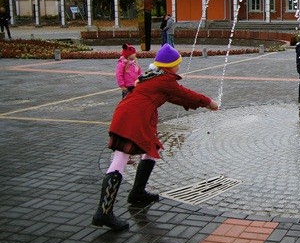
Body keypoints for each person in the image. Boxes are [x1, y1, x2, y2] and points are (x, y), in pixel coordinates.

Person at [92, 44, 219, 231]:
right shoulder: (165, 80)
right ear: (169, 66)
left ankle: (137, 192)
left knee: (151, 149)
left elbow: (175, 97)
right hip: (133, 118)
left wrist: (202, 104)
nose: (179, 67)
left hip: (132, 115)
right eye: (177, 64)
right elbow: (185, 94)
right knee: (120, 159)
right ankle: (104, 212)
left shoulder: (155, 77)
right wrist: (209, 102)